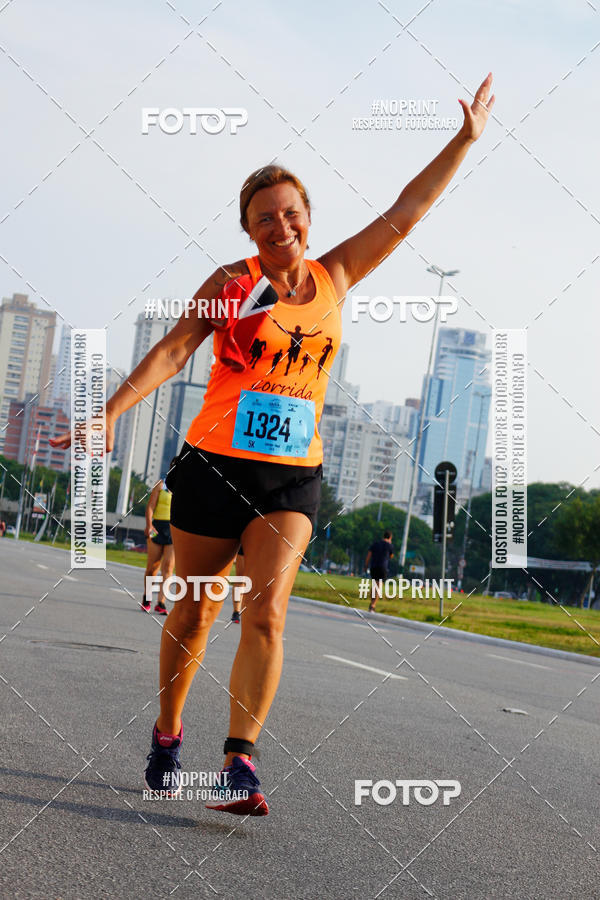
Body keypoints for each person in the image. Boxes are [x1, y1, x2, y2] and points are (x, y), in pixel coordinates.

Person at [50, 74, 494, 816]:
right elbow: (174, 349)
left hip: (293, 476)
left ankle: (239, 763)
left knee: (267, 614)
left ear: (308, 220)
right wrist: (112, 413)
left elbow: (406, 212)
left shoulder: (336, 274)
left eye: (289, 213)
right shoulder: (234, 283)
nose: (278, 225)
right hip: (215, 467)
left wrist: (463, 141)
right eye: (263, 218)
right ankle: (166, 736)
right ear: (249, 231)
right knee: (193, 613)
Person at [141, 460, 177, 615]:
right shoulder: (161, 485)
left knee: (168, 567)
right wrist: (149, 525)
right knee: (152, 567)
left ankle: (161, 602)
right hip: (156, 528)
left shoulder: (184, 488)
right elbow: (150, 506)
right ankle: (147, 598)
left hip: (173, 530)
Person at [365, 530, 394, 613]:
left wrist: (366, 565)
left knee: (374, 585)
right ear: (390, 537)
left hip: (373, 567)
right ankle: (373, 605)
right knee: (378, 586)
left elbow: (368, 555)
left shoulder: (375, 544)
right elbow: (391, 556)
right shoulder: (390, 546)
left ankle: (371, 603)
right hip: (383, 568)